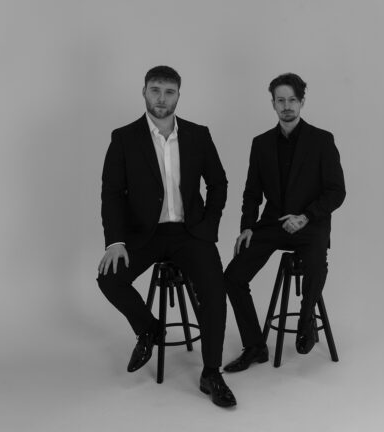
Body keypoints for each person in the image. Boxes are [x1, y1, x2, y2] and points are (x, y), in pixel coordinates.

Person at [97, 65, 236, 407]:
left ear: (178, 95)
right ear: (144, 91)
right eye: (155, 90)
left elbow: (218, 183)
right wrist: (115, 241)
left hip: (190, 233)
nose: (162, 98)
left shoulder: (198, 134)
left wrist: (208, 227)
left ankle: (211, 372)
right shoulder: (124, 138)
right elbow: (112, 193)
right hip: (145, 234)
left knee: (215, 294)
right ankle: (149, 329)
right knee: (109, 279)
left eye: (169, 91)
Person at [223, 73, 346, 372]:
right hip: (273, 224)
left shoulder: (322, 140)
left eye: (292, 100)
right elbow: (252, 192)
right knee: (233, 277)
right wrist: (247, 227)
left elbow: (336, 191)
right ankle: (254, 346)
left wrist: (306, 217)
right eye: (281, 100)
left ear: (302, 101)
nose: (287, 106)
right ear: (273, 104)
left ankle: (306, 321)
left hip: (310, 224)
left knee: (317, 263)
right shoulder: (261, 143)